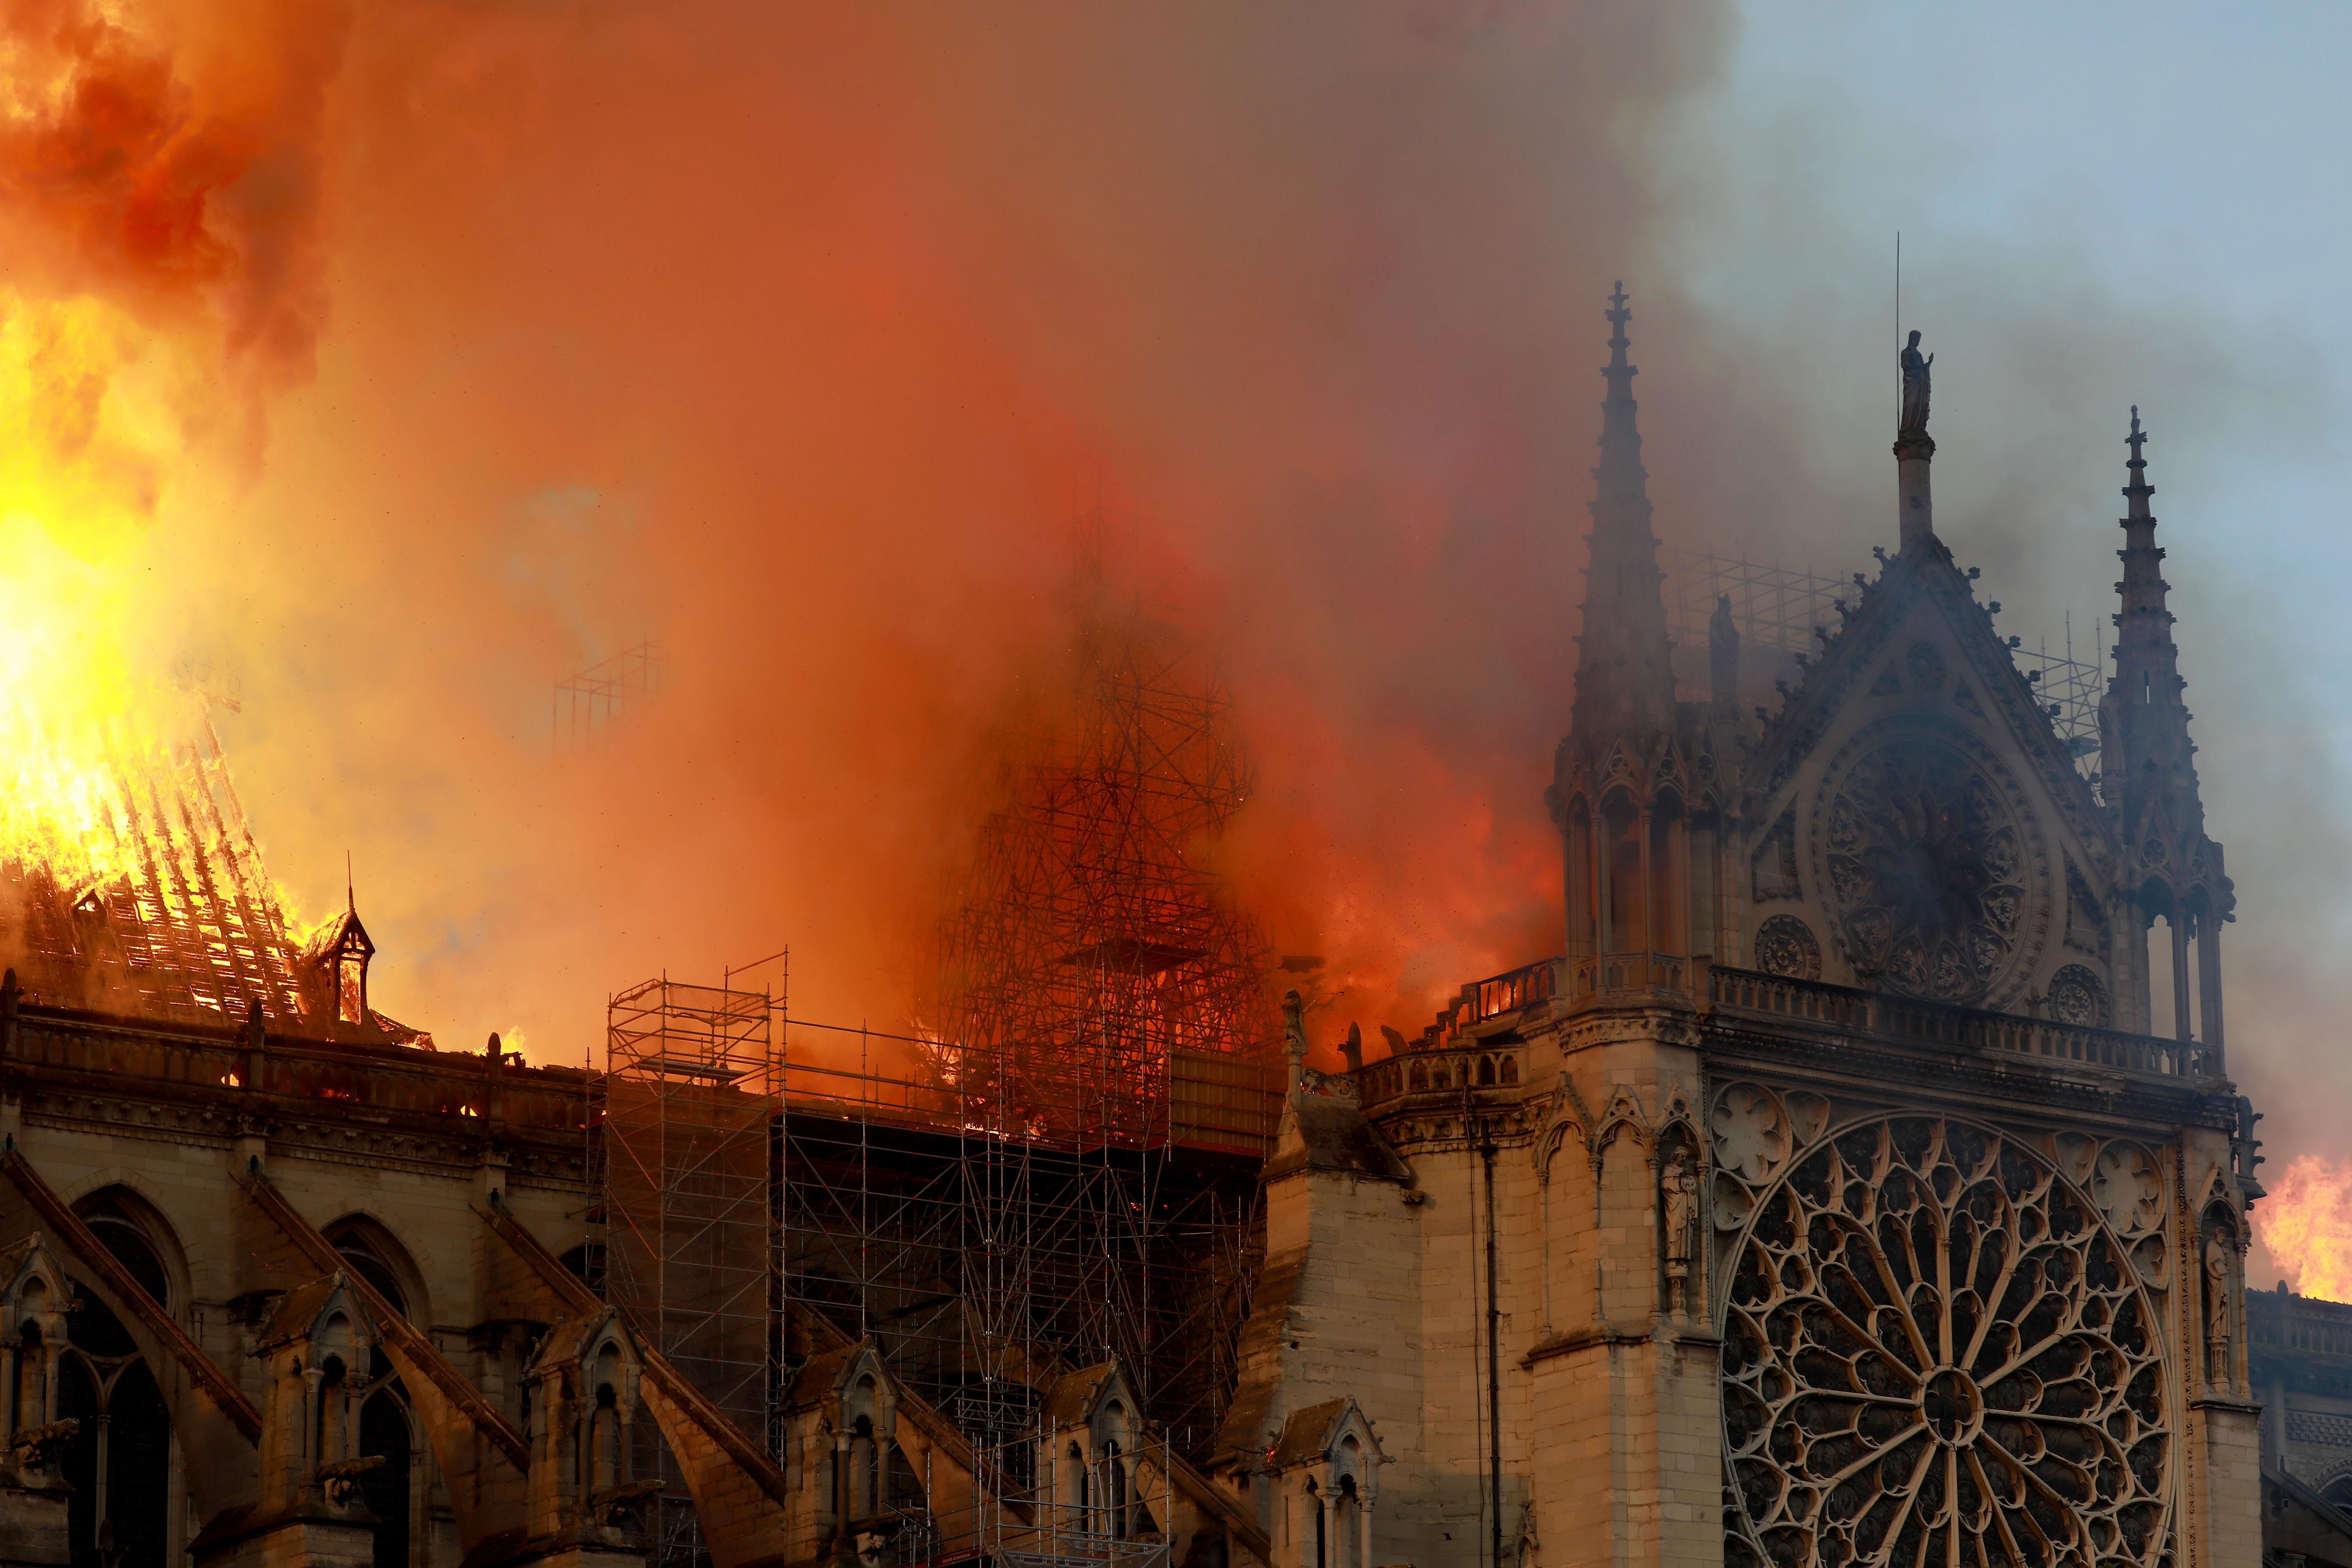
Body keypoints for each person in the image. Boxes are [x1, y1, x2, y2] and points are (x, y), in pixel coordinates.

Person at [1899, 329, 1934, 435]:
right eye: (1916, 339)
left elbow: (1923, 368)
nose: (1918, 341)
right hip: (1912, 382)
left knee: (1920, 404)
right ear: (1912, 339)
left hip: (1920, 383)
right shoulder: (1906, 352)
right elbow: (1905, 366)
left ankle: (1919, 427)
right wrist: (1919, 370)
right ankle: (1907, 427)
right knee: (1911, 403)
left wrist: (1928, 364)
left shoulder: (1919, 354)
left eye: (1919, 339)